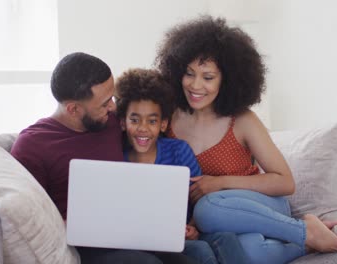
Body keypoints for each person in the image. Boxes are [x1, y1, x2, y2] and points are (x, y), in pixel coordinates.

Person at [155, 16, 337, 264]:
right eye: (189, 74)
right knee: (244, 252)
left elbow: (285, 182)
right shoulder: (166, 118)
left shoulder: (243, 120)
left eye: (208, 77)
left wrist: (220, 183)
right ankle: (304, 240)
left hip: (262, 206)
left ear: (227, 79)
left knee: (208, 208)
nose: (195, 85)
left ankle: (303, 229)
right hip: (219, 225)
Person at [11, 52, 199, 264]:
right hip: (83, 245)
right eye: (104, 103)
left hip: (131, 231)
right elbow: (27, 217)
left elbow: (147, 127)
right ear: (73, 109)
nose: (112, 107)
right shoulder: (33, 145)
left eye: (112, 97)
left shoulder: (110, 122)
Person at [114, 68, 248, 264]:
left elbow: (199, 196)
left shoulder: (178, 151)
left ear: (162, 124)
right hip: (146, 239)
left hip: (185, 231)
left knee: (226, 238)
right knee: (201, 250)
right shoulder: (117, 159)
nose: (143, 128)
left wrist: (193, 226)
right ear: (123, 123)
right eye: (134, 120)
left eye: (152, 121)